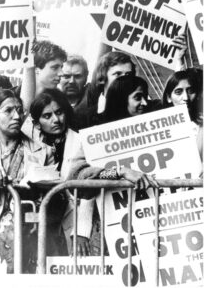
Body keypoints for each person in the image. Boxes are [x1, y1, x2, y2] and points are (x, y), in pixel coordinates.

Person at [29, 88, 159, 256]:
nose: (56, 120)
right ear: (37, 123)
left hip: (74, 220)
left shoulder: (82, 141)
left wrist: (82, 230)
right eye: (47, 116)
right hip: (41, 224)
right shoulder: (31, 145)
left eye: (59, 112)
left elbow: (88, 177)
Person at [0, 90, 55, 273]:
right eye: (8, 111)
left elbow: (54, 198)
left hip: (28, 230)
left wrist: (35, 192)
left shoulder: (44, 152)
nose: (16, 116)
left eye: (19, 110)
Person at [162, 68, 203, 161]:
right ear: (169, 97)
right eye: (178, 92)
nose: (185, 97)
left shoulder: (202, 125)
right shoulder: (159, 127)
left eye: (190, 91)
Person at [20, 39, 67, 113]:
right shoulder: (12, 97)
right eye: (55, 67)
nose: (61, 73)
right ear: (36, 69)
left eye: (61, 67)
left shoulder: (61, 99)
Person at [60, 54, 91, 129]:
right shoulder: (50, 99)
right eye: (66, 76)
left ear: (86, 76)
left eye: (77, 76)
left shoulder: (92, 96)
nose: (71, 81)